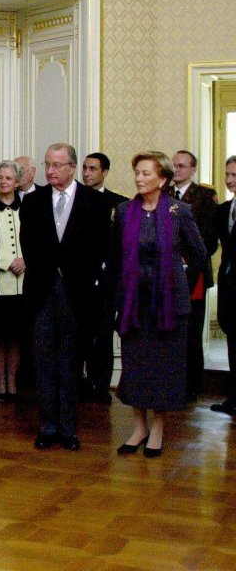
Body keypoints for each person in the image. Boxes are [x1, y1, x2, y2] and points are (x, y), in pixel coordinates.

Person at [110, 151, 207, 458]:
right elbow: (115, 258)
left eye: (146, 173)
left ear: (162, 179)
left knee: (164, 369)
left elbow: (200, 255)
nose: (139, 178)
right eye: (137, 172)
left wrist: (178, 282)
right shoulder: (124, 212)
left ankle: (159, 428)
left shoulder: (180, 211)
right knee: (137, 367)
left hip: (169, 307)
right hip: (134, 305)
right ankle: (138, 427)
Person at [20, 143, 109, 451]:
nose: (50, 171)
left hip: (77, 293)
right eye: (47, 164)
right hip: (42, 291)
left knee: (71, 362)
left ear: (72, 168)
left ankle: (68, 428)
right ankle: (48, 427)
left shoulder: (94, 204)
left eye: (57, 165)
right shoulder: (32, 202)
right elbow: (28, 245)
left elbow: (100, 248)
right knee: (43, 361)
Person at [79, 152, 128, 403]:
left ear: (104, 172)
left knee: (103, 334)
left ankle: (101, 385)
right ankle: (79, 382)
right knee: (79, 334)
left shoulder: (119, 204)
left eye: (93, 169)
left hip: (108, 281)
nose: (87, 173)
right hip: (79, 281)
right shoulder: (72, 199)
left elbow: (122, 246)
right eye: (85, 168)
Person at [170, 150, 219, 401]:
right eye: (174, 165)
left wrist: (186, 258)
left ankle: (191, 385)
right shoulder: (164, 193)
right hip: (167, 274)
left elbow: (209, 240)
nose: (176, 170)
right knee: (171, 331)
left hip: (194, 274)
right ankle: (172, 382)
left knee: (191, 332)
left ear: (193, 169)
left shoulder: (205, 196)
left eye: (181, 166)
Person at [0, 160, 25, 402]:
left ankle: (13, 383)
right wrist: (6, 261)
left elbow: (35, 238)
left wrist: (25, 260)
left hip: (23, 283)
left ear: (17, 182)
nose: (3, 182)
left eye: (8, 178)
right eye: (0, 177)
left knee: (16, 335)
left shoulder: (29, 206)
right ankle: (0, 383)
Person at [211, 156, 236, 416]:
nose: (229, 180)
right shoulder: (223, 210)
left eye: (234, 175)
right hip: (228, 287)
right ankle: (233, 398)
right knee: (232, 343)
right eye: (227, 174)